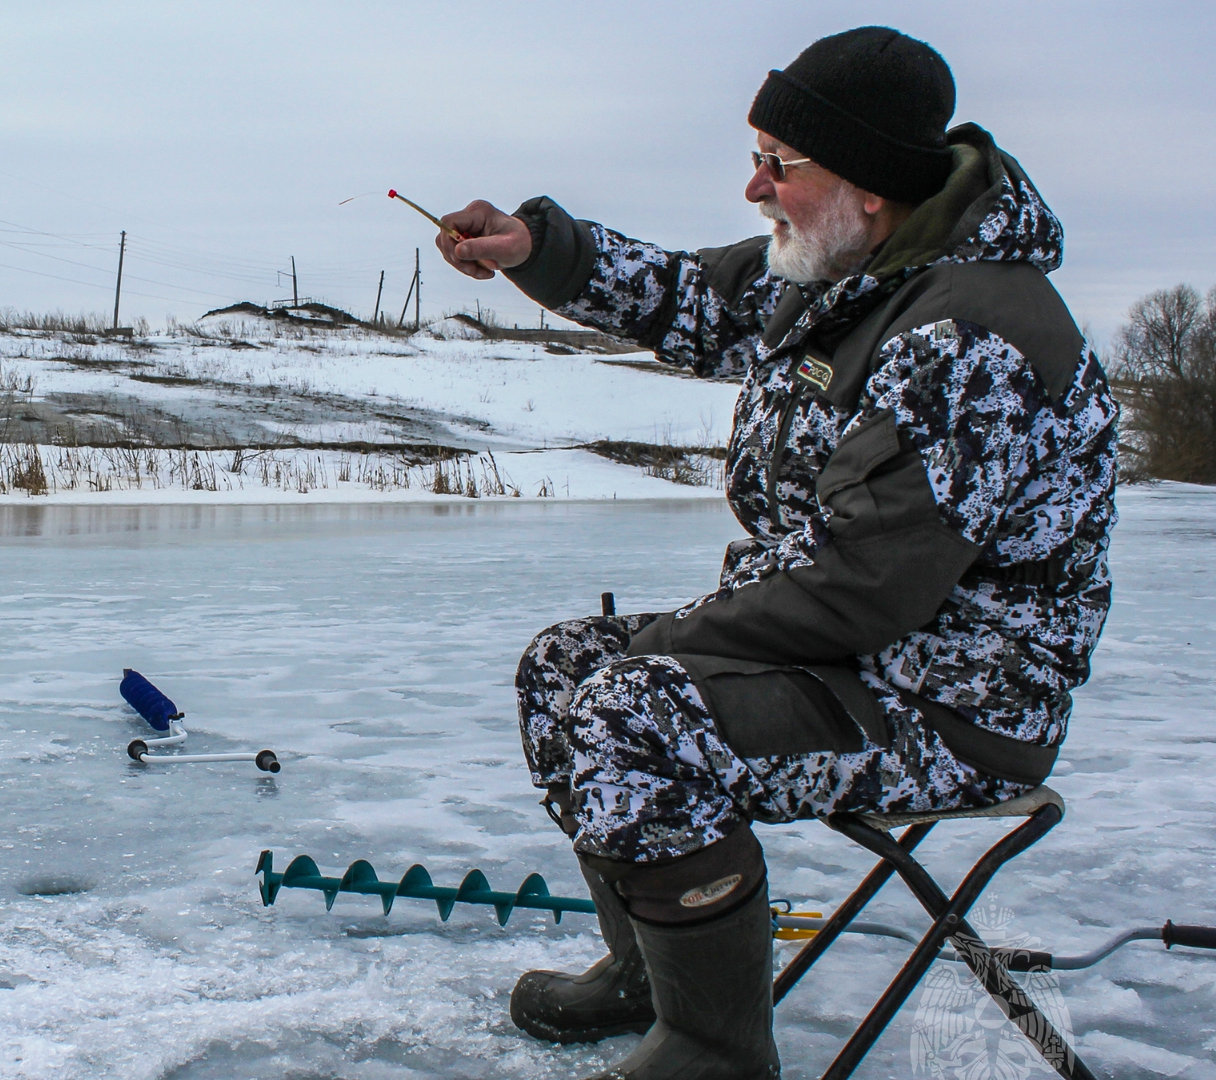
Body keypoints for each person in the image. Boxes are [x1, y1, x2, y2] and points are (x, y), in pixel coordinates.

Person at [434, 27, 1116, 1077]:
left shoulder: (968, 341)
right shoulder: (849, 268)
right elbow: (695, 295)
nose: (752, 186)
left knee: (624, 705)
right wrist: (538, 249)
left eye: (777, 164)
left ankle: (715, 1049)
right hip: (854, 660)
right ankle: (650, 978)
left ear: (869, 184)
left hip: (956, 703)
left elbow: (854, 592)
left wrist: (661, 643)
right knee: (560, 665)